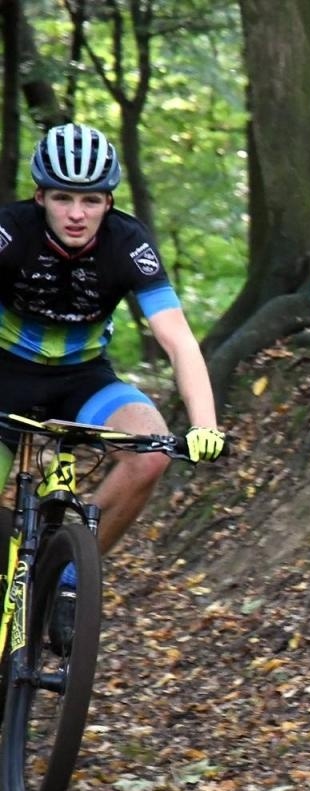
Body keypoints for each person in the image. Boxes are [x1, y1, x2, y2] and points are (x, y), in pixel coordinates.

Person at [0, 124, 225, 634]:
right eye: (63, 198)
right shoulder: (11, 231)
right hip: (5, 372)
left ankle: (68, 573)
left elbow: (177, 339)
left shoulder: (128, 243)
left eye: (91, 200)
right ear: (40, 197)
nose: (76, 214)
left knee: (151, 452)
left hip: (82, 377)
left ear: (109, 201)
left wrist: (205, 424)